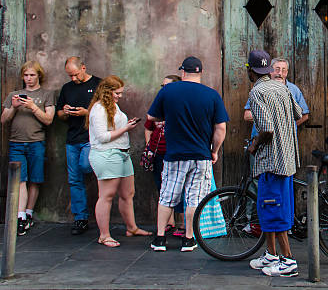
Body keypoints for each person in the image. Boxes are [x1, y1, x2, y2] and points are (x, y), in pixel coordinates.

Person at [148, 56, 228, 253]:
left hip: (174, 154)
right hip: (201, 155)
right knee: (194, 198)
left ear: (183, 72)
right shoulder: (212, 95)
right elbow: (221, 128)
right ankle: (188, 239)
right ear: (200, 73)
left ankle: (159, 239)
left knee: (167, 195)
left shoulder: (168, 91)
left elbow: (151, 116)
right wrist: (214, 151)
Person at [246, 50, 302, 277]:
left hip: (271, 161)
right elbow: (298, 113)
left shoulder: (257, 91)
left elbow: (266, 129)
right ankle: (271, 254)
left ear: (250, 70)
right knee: (269, 207)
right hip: (288, 158)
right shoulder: (283, 87)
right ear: (269, 69)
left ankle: (288, 260)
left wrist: (254, 145)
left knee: (274, 208)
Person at [86, 75, 151, 247]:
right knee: (106, 196)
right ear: (107, 92)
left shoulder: (112, 105)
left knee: (127, 193)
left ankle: (132, 228)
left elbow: (113, 128)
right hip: (107, 154)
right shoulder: (98, 109)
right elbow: (102, 137)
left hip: (122, 154)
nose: (120, 96)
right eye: (117, 93)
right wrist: (125, 129)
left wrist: (125, 126)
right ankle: (104, 235)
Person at [1, 61, 55, 236]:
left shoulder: (46, 94)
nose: (29, 79)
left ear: (39, 75)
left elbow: (48, 119)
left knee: (34, 179)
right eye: (26, 75)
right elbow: (4, 119)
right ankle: (20, 216)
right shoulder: (14, 95)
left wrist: (32, 107)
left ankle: (29, 213)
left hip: (36, 142)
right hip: (16, 142)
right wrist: (14, 108)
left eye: (32, 75)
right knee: (20, 179)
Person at [57, 56, 101, 235]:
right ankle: (80, 218)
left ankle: (98, 215)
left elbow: (109, 109)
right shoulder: (67, 88)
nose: (73, 79)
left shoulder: (98, 84)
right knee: (74, 180)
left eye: (75, 75)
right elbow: (59, 114)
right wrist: (65, 112)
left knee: (85, 166)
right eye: (70, 76)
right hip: (72, 138)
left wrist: (87, 112)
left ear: (83, 67)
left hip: (91, 138)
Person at [144, 75, 185, 237]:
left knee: (179, 189)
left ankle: (182, 223)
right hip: (158, 153)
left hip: (175, 153)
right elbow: (148, 126)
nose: (163, 88)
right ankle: (169, 222)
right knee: (162, 188)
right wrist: (149, 146)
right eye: (162, 86)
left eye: (166, 86)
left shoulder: (180, 105)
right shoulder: (158, 105)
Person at [244, 57, 309, 134]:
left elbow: (304, 115)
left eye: (283, 70)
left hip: (285, 141)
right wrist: (276, 115)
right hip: (261, 139)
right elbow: (247, 115)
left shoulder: (293, 90)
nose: (280, 73)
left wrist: (288, 128)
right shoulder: (259, 89)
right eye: (277, 69)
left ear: (287, 72)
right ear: (270, 71)